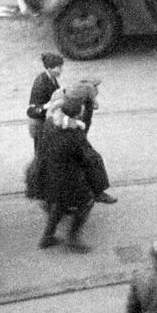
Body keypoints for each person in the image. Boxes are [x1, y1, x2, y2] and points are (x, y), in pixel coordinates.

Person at [36, 98, 99, 252]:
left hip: (51, 174)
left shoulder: (50, 124)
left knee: (59, 204)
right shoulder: (75, 134)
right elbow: (84, 157)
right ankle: (73, 237)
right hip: (69, 178)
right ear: (77, 116)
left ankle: (47, 236)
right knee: (87, 202)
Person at [26, 52, 64, 151]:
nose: (61, 70)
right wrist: (51, 105)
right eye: (58, 68)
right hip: (39, 124)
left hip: (45, 121)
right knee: (41, 152)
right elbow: (32, 110)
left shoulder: (52, 78)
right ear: (49, 68)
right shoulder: (41, 84)